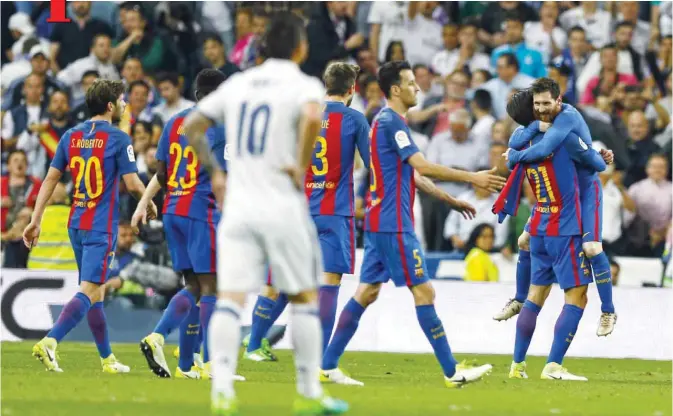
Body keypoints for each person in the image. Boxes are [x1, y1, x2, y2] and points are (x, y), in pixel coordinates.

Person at [180, 13, 349, 415]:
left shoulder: (238, 83)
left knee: (229, 299)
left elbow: (192, 124)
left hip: (238, 205)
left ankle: (221, 390)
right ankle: (308, 393)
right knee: (305, 296)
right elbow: (312, 117)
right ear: (299, 46)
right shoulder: (303, 84)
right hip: (282, 204)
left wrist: (216, 173)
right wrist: (301, 164)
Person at [320, 60, 505, 388]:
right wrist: (470, 176)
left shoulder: (381, 122)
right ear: (396, 89)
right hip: (394, 224)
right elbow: (421, 165)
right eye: (411, 83)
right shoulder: (393, 122)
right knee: (424, 290)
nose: (417, 88)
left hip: (381, 221)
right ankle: (452, 372)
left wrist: (450, 199)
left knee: (367, 292)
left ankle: (328, 364)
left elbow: (411, 174)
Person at [24, 79, 156, 374]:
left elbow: (50, 179)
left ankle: (107, 359)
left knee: (95, 293)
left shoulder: (71, 135)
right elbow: (133, 183)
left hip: (76, 224)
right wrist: (147, 200)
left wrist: (35, 219)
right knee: (91, 289)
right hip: (100, 226)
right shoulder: (120, 139)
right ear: (110, 106)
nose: (124, 106)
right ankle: (50, 341)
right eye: (121, 101)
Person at [242, 62, 370, 363]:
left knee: (278, 281)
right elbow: (373, 166)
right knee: (329, 282)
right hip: (334, 214)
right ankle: (321, 356)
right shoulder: (355, 120)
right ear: (352, 90)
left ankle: (253, 345)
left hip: (295, 211)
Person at [132, 69, 242, 381]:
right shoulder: (220, 125)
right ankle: (205, 360)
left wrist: (145, 201)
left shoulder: (174, 122)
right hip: (201, 210)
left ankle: (185, 366)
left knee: (192, 285)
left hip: (173, 210)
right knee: (211, 287)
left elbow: (162, 172)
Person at [500, 85, 609, 381]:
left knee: (535, 297)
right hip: (565, 226)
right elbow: (597, 166)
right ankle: (553, 365)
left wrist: (514, 155)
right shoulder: (564, 138)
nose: (542, 108)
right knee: (577, 297)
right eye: (538, 104)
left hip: (539, 225)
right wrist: (599, 156)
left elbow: (514, 154)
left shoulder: (521, 143)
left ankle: (517, 365)